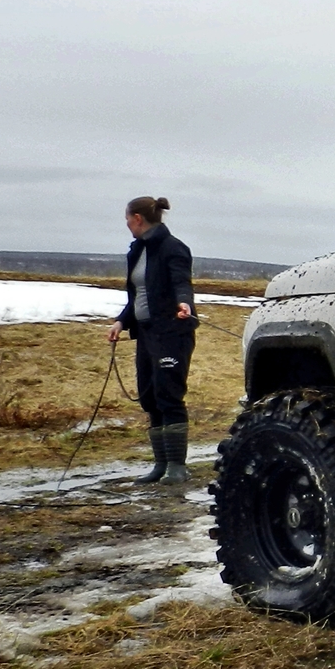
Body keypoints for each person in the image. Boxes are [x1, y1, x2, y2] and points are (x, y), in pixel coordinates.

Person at [107, 195, 198, 484]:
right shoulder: (136, 251)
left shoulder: (174, 248)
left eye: (127, 219)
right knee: (149, 396)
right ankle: (160, 465)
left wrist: (185, 304)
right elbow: (138, 296)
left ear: (137, 218)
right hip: (146, 333)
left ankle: (177, 467)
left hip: (172, 331)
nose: (126, 225)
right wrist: (121, 322)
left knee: (168, 394)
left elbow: (182, 282)